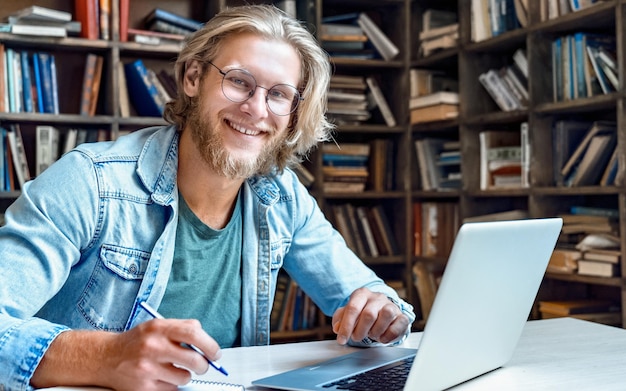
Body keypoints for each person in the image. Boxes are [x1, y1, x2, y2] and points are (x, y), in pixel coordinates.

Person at [0, 4, 414, 390]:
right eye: (239, 81)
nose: (256, 109)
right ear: (193, 78)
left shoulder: (282, 195)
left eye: (279, 94)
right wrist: (106, 357)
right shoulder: (89, 181)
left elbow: (369, 298)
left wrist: (383, 315)